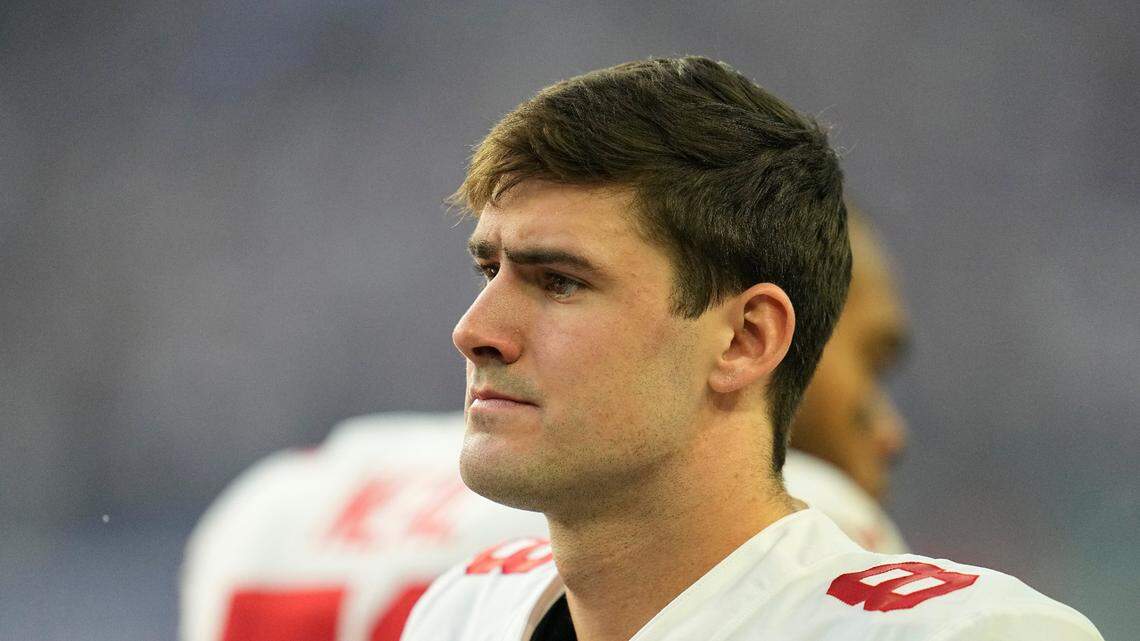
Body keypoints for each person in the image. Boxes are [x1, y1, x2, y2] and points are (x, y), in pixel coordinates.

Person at [400, 56, 1103, 641]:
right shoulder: (460, 613)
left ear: (745, 338)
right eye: (490, 271)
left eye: (559, 281)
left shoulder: (967, 633)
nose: (474, 330)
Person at [178, 206, 910, 641]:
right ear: (747, 331)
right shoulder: (807, 527)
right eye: (872, 359)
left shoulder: (276, 502)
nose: (890, 429)